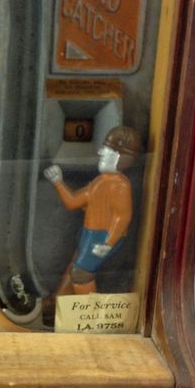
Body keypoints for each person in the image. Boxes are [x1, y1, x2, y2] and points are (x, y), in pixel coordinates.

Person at [44, 126, 141, 295]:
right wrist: (58, 182)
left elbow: (123, 216)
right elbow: (73, 202)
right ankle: (56, 304)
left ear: (121, 157)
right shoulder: (100, 181)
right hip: (89, 234)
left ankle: (90, 315)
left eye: (108, 149)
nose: (101, 152)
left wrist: (108, 242)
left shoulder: (121, 185)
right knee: (75, 267)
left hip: (102, 237)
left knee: (81, 274)